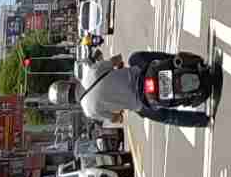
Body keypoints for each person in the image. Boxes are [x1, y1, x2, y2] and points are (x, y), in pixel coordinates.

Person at [74, 49, 220, 131]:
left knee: (168, 117)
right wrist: (118, 65)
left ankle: (204, 121)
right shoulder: (90, 74)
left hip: (142, 103)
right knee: (138, 57)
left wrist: (119, 111)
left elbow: (114, 118)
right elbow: (117, 59)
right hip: (142, 73)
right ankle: (183, 62)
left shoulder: (89, 111)